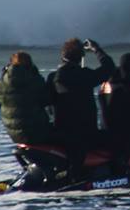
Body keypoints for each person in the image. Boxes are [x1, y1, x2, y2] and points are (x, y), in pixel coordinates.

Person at [47, 37, 115, 180]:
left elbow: (46, 103)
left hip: (61, 132)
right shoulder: (84, 75)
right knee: (120, 142)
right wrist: (96, 49)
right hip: (85, 134)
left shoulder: (52, 77)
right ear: (81, 57)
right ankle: (116, 176)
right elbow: (109, 68)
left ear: (62, 56)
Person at [0, 51, 54, 144]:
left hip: (15, 136)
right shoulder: (36, 81)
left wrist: (3, 77)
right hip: (38, 132)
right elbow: (47, 100)